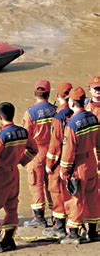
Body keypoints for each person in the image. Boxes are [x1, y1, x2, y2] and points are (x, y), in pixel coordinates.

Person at [0, 102, 38, 252]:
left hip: (1, 174)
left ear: (0, 117)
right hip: (14, 172)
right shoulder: (23, 132)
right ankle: (8, 239)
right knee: (12, 206)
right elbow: (34, 149)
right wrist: (21, 161)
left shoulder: (3, 135)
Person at [59, 86, 99, 244]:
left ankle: (74, 234)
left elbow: (68, 151)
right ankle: (93, 232)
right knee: (93, 197)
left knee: (75, 197)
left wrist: (64, 170)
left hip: (79, 164)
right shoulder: (93, 118)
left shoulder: (72, 124)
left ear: (71, 102)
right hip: (92, 162)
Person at [23, 79, 57, 227]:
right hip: (53, 150)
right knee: (53, 184)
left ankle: (39, 218)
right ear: (49, 93)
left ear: (34, 93)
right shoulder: (56, 110)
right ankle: (57, 214)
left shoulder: (30, 112)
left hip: (36, 152)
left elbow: (26, 135)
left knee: (35, 183)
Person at [43, 82, 73, 238]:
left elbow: (55, 144)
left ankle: (60, 226)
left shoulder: (59, 116)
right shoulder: (77, 113)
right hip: (75, 158)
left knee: (56, 191)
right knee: (71, 191)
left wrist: (49, 164)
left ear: (58, 96)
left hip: (60, 160)